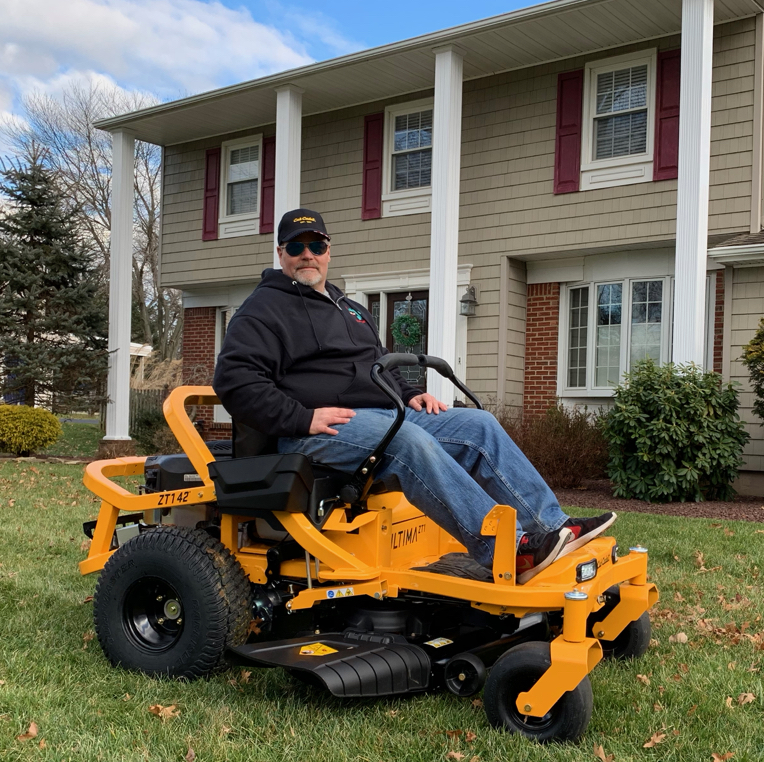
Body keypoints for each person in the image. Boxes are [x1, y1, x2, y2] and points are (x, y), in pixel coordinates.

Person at [213, 208, 615, 583]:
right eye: (297, 247)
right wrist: (302, 418)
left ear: (328, 252)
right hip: (315, 432)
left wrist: (409, 394)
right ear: (281, 253)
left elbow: (374, 365)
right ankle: (507, 551)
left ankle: (550, 527)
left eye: (316, 246)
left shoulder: (348, 307)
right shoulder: (262, 310)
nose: (307, 255)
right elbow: (235, 380)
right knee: (408, 441)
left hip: (381, 413)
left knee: (479, 425)